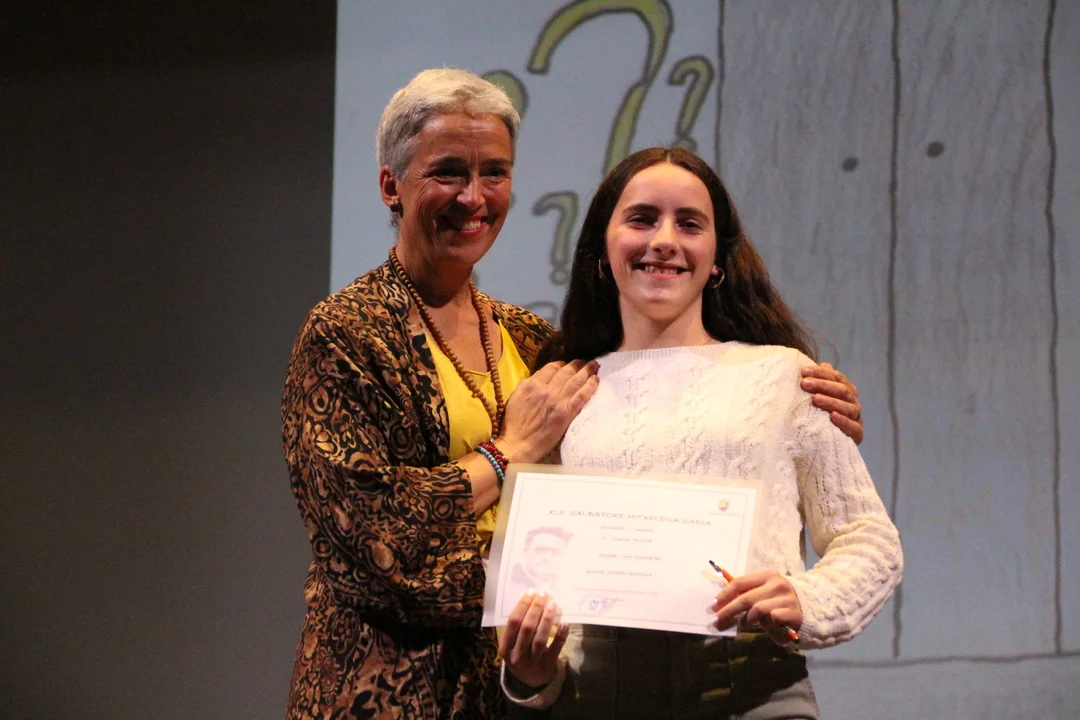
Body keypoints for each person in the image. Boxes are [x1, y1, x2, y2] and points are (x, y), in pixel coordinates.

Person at [282, 67, 865, 719]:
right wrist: (508, 453)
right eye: (448, 172)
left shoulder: (533, 341)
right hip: (389, 691)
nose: (474, 196)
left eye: (495, 172)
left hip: (513, 691)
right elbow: (368, 538)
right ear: (392, 185)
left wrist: (806, 414)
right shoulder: (347, 334)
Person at [499, 148, 903, 719]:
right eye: (642, 219)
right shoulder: (560, 392)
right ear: (601, 251)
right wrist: (531, 673)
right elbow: (531, 579)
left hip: (754, 689)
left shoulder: (784, 376)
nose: (664, 240)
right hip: (599, 693)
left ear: (717, 259)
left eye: (689, 224)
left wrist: (806, 598)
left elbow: (868, 538)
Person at [504, 526, 574, 606]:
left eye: (555, 552)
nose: (547, 558)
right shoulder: (506, 583)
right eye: (540, 550)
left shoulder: (564, 589)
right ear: (525, 550)